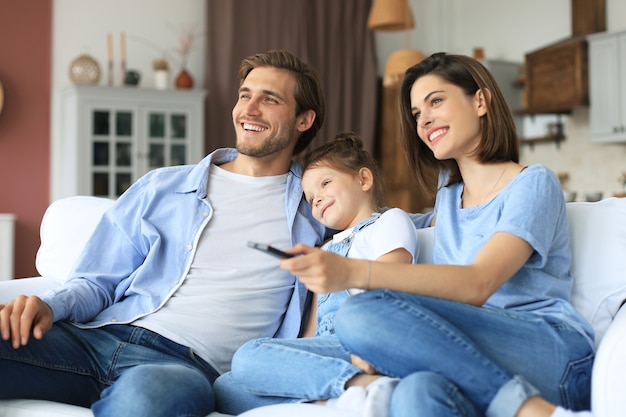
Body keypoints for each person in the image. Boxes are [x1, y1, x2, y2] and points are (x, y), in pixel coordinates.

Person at [0, 49, 327, 417]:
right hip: (95, 339)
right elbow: (96, 282)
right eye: (245, 95)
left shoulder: (316, 209)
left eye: (269, 99)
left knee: (147, 400)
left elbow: (383, 230)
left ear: (304, 119)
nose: (248, 110)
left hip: (182, 368)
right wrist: (49, 304)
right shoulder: (163, 187)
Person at [279, 53, 595, 417]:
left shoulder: (532, 183)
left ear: (480, 100)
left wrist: (351, 272)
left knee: (361, 314)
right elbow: (377, 221)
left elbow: (479, 283)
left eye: (436, 101)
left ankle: (530, 409)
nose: (424, 119)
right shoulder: (447, 200)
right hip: (466, 356)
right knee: (416, 392)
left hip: (548, 352)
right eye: (416, 113)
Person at [213, 132, 418, 416]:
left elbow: (393, 285)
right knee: (225, 387)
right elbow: (312, 330)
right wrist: (290, 361)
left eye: (325, 183)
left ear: (363, 180)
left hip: (364, 342)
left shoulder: (388, 221)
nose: (317, 199)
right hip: (327, 346)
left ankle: (368, 385)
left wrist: (370, 348)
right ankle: (336, 400)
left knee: (249, 355)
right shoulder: (325, 249)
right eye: (310, 198)